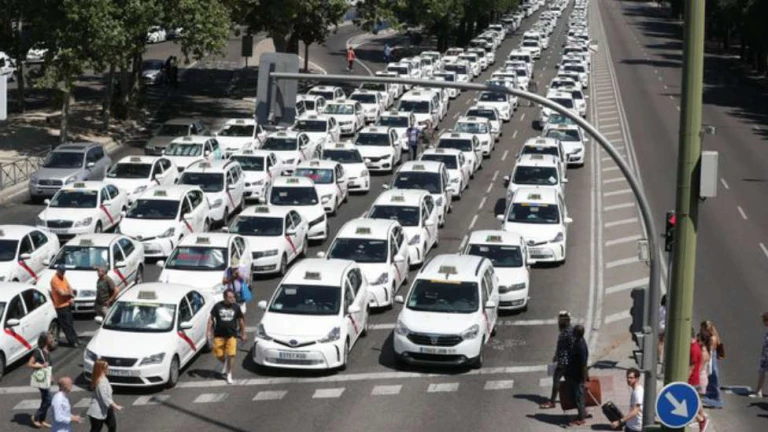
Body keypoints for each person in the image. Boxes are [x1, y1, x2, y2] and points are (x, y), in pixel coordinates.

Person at [208, 289, 246, 384]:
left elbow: (241, 321)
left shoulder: (236, 307)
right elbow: (211, 319)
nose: (233, 299)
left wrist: (243, 333)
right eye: (230, 297)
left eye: (233, 297)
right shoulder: (217, 306)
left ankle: (229, 374)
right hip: (219, 335)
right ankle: (225, 362)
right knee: (218, 354)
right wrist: (208, 331)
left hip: (231, 335)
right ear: (224, 297)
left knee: (231, 355)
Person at [540, 311, 575, 409]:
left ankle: (552, 401)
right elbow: (562, 346)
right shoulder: (568, 331)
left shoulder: (568, 332)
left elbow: (572, 347)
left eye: (561, 320)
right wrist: (556, 355)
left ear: (566, 320)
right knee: (569, 381)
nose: (559, 322)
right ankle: (573, 399)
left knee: (556, 379)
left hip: (564, 362)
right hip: (565, 361)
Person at [87, 359, 123, 432]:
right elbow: (104, 397)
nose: (108, 368)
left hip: (106, 408)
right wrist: (115, 406)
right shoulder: (100, 381)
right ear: (101, 369)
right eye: (106, 367)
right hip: (97, 411)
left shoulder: (104, 378)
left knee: (112, 426)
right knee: (96, 429)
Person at [27, 332, 54, 428]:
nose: (52, 340)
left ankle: (42, 420)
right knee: (49, 400)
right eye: (50, 338)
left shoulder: (47, 350)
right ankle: (35, 417)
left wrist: (51, 376)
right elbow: (29, 364)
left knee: (45, 399)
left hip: (46, 379)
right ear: (45, 340)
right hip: (41, 379)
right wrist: (41, 366)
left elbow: (49, 366)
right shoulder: (38, 351)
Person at [565, 324, 589, 427]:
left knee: (579, 398)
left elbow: (584, 366)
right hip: (573, 375)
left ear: (577, 333)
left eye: (573, 331)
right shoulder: (578, 341)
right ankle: (582, 413)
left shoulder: (581, 347)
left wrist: (584, 380)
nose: (572, 333)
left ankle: (581, 418)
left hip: (578, 377)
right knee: (575, 396)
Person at [50, 264, 79, 347]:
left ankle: (75, 339)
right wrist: (71, 294)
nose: (63, 273)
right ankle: (72, 341)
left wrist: (71, 296)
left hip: (67, 304)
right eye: (62, 271)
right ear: (58, 271)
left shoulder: (63, 277)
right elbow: (62, 293)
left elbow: (69, 287)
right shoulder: (54, 280)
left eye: (64, 271)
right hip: (60, 306)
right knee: (66, 325)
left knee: (70, 323)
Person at [688, 327, 709, 431]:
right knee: (696, 401)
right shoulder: (694, 346)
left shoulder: (694, 349)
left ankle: (701, 419)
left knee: (687, 403)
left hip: (692, 380)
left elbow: (691, 367)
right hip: (694, 379)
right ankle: (702, 418)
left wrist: (684, 380)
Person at [701, 320, 724, 408]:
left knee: (712, 375)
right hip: (710, 357)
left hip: (711, 358)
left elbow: (710, 351)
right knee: (710, 376)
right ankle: (710, 396)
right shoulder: (710, 336)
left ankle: (714, 398)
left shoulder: (712, 338)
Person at [751, 312, 768, 398]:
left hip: (766, 355)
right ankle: (758, 390)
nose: (763, 322)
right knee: (761, 371)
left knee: (762, 372)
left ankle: (758, 391)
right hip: (765, 355)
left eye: (764, 320)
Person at [658, 294, 667, 364]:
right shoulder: (667, 309)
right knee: (664, 342)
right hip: (665, 327)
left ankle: (660, 357)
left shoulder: (660, 308)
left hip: (659, 326)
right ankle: (663, 357)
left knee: (660, 342)